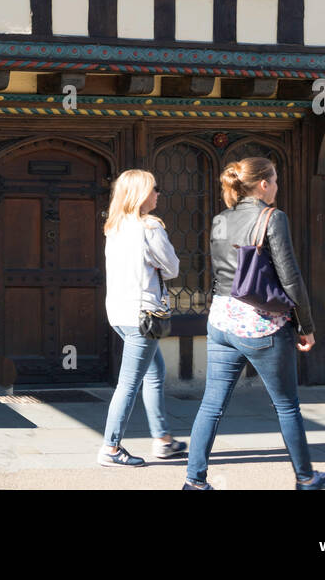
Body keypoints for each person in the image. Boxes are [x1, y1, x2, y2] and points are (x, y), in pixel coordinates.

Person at [183, 157, 325, 491]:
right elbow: (290, 277)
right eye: (275, 180)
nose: (277, 186)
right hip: (261, 323)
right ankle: (306, 478)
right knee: (286, 405)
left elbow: (219, 272)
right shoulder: (273, 217)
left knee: (211, 405)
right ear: (263, 184)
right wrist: (306, 325)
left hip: (223, 318)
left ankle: (194, 482)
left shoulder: (220, 220)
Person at [98, 169, 186, 466]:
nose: (158, 193)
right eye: (154, 188)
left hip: (120, 314)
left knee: (154, 371)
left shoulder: (116, 226)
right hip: (143, 316)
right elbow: (172, 268)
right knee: (128, 383)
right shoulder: (149, 228)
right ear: (140, 194)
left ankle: (162, 439)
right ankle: (110, 447)